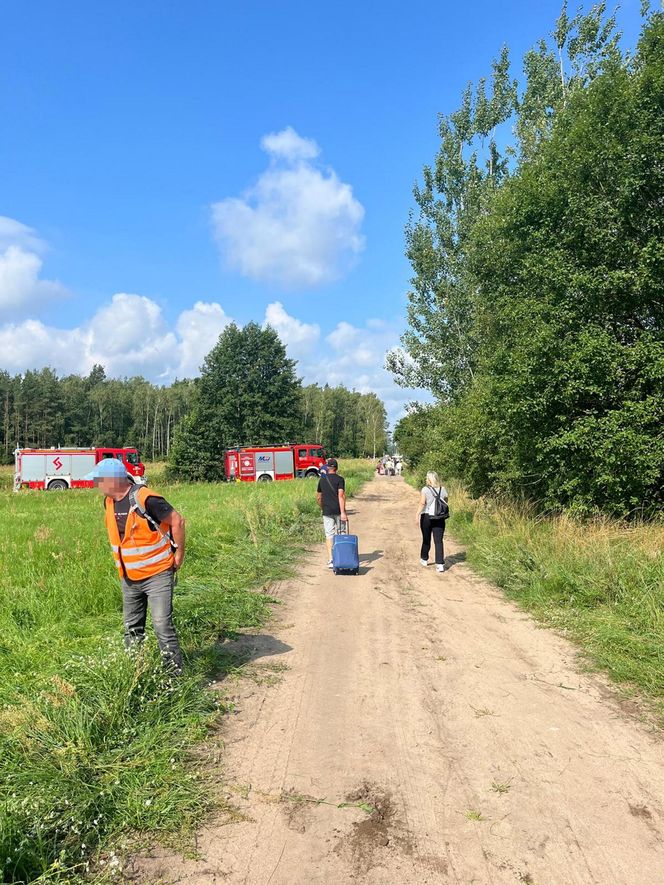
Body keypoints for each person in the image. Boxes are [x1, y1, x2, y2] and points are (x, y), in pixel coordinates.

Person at [86, 457, 186, 674]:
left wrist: (179, 554)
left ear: (114, 480)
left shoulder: (145, 498)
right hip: (129, 577)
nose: (97, 485)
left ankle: (174, 675)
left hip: (157, 574)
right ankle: (134, 673)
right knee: (132, 629)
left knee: (162, 626)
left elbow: (177, 521)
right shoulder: (109, 502)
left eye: (99, 481)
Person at [316, 458, 348, 568]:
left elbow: (319, 497)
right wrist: (343, 512)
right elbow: (341, 496)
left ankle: (331, 560)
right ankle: (342, 557)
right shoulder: (340, 479)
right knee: (342, 533)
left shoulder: (322, 480)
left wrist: (322, 507)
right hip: (339, 511)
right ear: (336, 468)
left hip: (327, 511)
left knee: (329, 535)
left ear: (327, 468)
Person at [416, 471, 448, 573]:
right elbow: (446, 501)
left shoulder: (425, 489)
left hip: (427, 517)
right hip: (439, 517)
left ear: (429, 479)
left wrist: (417, 514)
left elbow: (422, 503)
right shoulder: (443, 489)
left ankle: (424, 559)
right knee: (438, 541)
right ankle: (440, 564)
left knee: (426, 539)